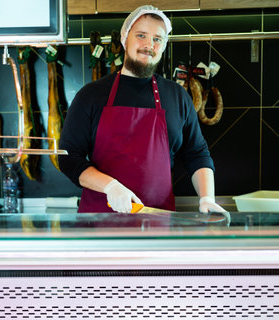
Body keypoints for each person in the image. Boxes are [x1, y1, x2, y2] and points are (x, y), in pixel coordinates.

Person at [59, 5, 228, 217]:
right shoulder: (90, 96)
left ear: (163, 45)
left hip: (158, 223)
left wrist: (206, 197)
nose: (149, 45)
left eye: (157, 39)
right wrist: (110, 186)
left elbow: (197, 154)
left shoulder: (177, 96)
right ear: (124, 38)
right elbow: (68, 157)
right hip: (100, 225)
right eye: (141, 35)